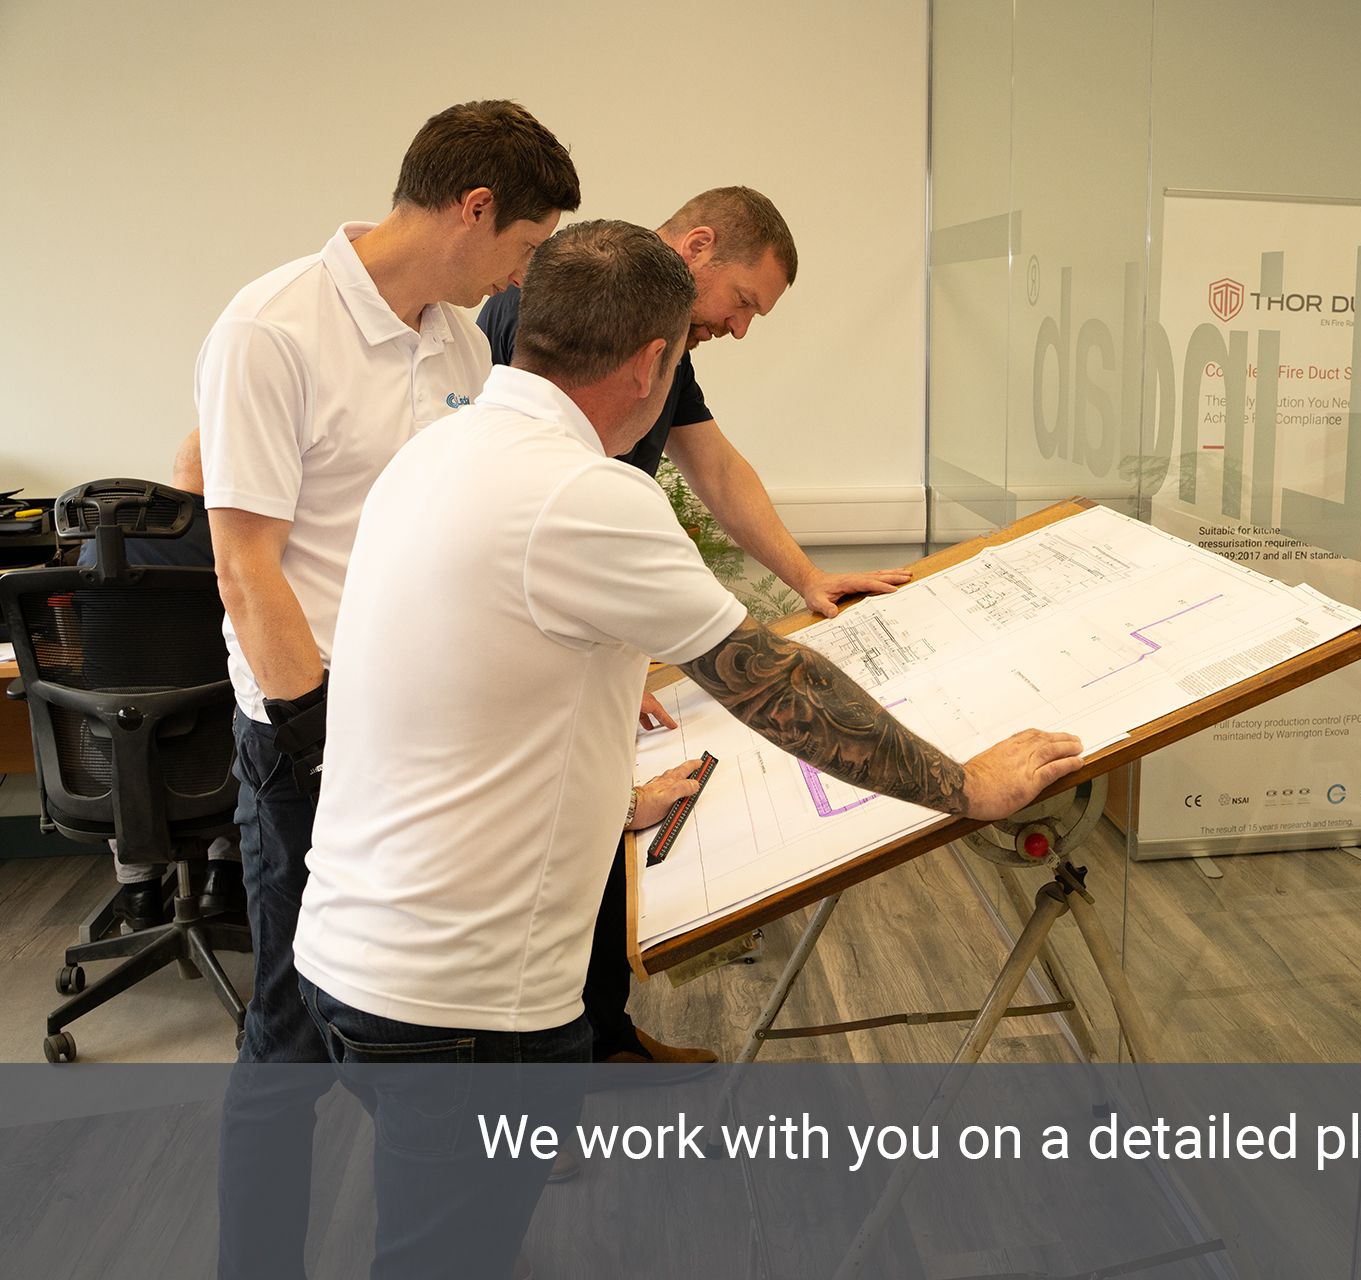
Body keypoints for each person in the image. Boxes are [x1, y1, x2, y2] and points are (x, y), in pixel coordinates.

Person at [293, 219, 1082, 1278]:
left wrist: (605, 800)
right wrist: (965, 786)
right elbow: (775, 684)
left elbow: (451, 696)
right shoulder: (588, 495)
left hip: (348, 956)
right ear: (653, 363)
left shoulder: (435, 452)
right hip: (461, 1007)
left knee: (442, 1234)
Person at [199, 99, 579, 1280]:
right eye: (524, 246)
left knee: (406, 1016)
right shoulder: (274, 328)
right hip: (306, 738)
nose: (523, 274)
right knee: (289, 1040)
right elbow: (244, 562)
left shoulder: (463, 345)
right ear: (473, 210)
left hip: (424, 745)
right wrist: (318, 743)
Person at [479, 186, 910, 1066]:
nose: (742, 329)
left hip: (583, 638)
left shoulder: (667, 340)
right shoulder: (561, 302)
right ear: (699, 247)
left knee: (595, 845)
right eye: (743, 302)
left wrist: (807, 577)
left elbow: (714, 463)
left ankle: (599, 1044)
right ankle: (536, 1094)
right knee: (536, 865)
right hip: (520, 634)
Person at [74, 431, 244, 928]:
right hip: (211, 755)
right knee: (244, 715)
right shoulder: (228, 536)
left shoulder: (95, 546)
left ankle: (140, 893)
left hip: (111, 752)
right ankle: (223, 878)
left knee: (120, 719)